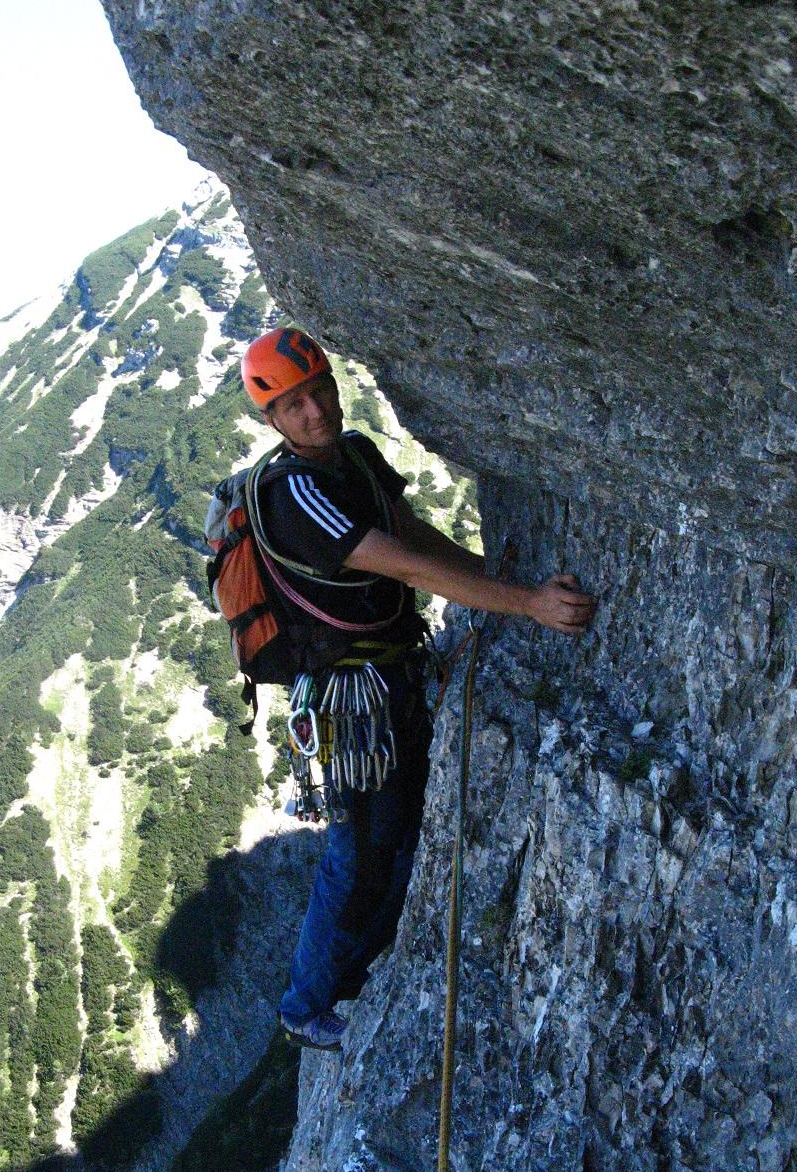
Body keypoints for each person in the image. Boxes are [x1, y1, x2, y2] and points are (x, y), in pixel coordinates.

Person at [241, 327, 596, 1050]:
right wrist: (526, 603)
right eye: (294, 404)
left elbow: (412, 534)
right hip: (350, 699)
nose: (315, 411)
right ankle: (305, 1006)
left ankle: (349, 976)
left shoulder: (356, 458)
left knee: (399, 837)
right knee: (358, 850)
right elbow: (402, 565)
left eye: (319, 391)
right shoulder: (294, 494)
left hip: (390, 679)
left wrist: (495, 576)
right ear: (272, 421)